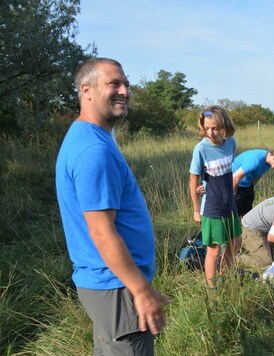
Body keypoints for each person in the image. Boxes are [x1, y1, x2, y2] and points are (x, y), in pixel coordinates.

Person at [55, 58, 171, 355]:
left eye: (126, 84)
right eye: (114, 83)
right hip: (116, 286)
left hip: (108, 284)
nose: (124, 91)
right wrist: (142, 291)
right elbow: (102, 232)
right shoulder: (94, 150)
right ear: (87, 90)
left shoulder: (89, 136)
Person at [189, 106, 243, 289]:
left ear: (224, 126)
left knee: (236, 241)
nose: (210, 133)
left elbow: (225, 172)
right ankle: (213, 288)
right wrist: (196, 211)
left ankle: (224, 276)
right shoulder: (200, 149)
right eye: (206, 128)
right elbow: (193, 180)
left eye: (214, 128)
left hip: (230, 203)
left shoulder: (231, 143)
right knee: (214, 249)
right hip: (212, 206)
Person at [232, 148, 274, 216]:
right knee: (236, 213)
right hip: (235, 183)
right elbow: (235, 177)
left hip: (247, 185)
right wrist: (234, 194)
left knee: (247, 213)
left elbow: (259, 173)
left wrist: (251, 187)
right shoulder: (255, 161)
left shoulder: (268, 162)